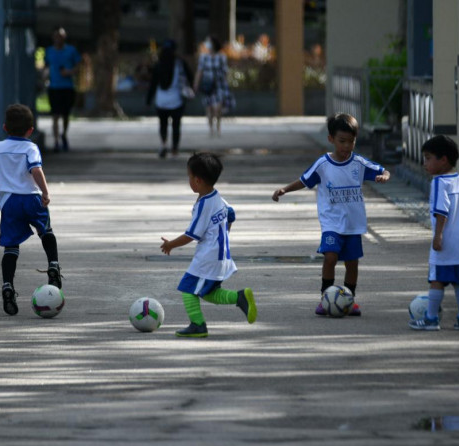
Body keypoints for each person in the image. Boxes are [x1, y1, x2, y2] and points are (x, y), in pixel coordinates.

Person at [271, 113, 391, 316]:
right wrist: (285, 190)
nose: (346, 146)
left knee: (352, 263)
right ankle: (325, 297)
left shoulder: (358, 163)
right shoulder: (323, 164)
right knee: (330, 257)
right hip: (331, 223)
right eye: (342, 141)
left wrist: (383, 177)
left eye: (351, 142)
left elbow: (383, 170)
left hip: (353, 224)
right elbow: (304, 180)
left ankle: (349, 299)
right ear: (331, 139)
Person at [0, 104, 62, 316]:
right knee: (46, 232)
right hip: (31, 199)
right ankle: (53, 265)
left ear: (5, 127)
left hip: (9, 204)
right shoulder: (30, 148)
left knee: (11, 248)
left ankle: (7, 286)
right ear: (31, 130)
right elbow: (36, 169)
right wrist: (45, 192)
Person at [160, 152, 257, 337]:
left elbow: (191, 235)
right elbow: (231, 214)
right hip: (221, 256)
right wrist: (224, 233)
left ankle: (198, 325)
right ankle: (240, 297)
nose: (188, 180)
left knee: (188, 288)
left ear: (197, 180)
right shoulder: (219, 198)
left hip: (208, 257)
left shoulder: (204, 205)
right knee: (209, 293)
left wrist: (171, 244)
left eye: (188, 176)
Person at [409, 135, 459, 331]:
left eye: (428, 158)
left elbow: (442, 211)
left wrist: (438, 236)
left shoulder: (439, 182)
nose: (425, 163)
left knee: (437, 281)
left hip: (446, 244)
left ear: (443, 160)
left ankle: (431, 319)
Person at [146, 39, 194, 158]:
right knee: (176, 125)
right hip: (176, 101)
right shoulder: (180, 64)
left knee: (163, 124)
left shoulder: (158, 65)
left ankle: (163, 144)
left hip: (161, 101)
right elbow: (190, 77)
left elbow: (153, 84)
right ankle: (175, 149)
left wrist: (148, 100)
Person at [44, 27, 81, 152]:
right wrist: (45, 74)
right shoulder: (49, 51)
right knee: (55, 115)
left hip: (67, 87)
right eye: (57, 36)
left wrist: (69, 72)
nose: (59, 39)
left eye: (61, 36)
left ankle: (64, 134)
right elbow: (46, 66)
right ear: (53, 38)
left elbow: (78, 67)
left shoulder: (71, 51)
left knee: (65, 115)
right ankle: (56, 141)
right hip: (54, 87)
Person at [192, 35, 234, 137]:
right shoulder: (203, 57)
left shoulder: (221, 57)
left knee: (218, 107)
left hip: (219, 85)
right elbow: (200, 71)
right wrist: (196, 84)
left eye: (209, 42)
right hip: (207, 85)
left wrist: (226, 85)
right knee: (209, 108)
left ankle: (218, 127)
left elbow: (225, 72)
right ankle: (211, 129)